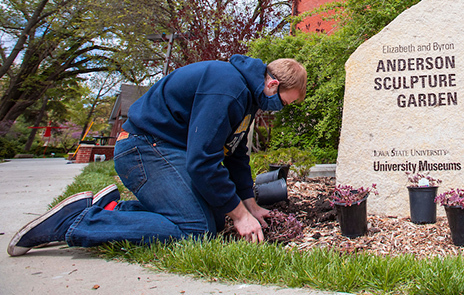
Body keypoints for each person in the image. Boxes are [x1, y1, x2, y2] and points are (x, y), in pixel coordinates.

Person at [8, 54, 306, 257]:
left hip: (163, 150)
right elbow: (203, 161)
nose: (279, 109)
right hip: (143, 148)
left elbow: (236, 155)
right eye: (283, 102)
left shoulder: (248, 98)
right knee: (197, 230)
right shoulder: (228, 88)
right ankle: (78, 222)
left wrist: (249, 207)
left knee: (215, 218)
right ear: (272, 84)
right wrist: (239, 216)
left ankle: (112, 210)